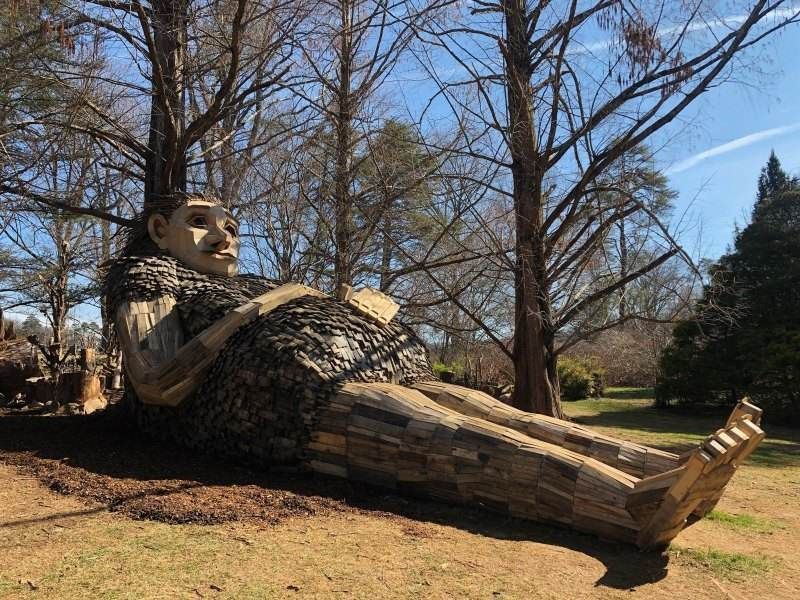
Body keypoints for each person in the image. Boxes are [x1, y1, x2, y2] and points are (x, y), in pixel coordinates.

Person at [106, 194, 764, 548]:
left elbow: (282, 312)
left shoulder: (252, 280)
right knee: (462, 442)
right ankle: (632, 507)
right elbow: (156, 382)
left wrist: (352, 310)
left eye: (230, 223)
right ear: (160, 230)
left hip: (374, 361)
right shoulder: (150, 278)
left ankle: (660, 466)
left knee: (494, 414)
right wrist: (261, 310)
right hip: (300, 405)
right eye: (201, 222)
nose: (224, 233)